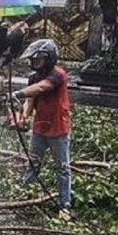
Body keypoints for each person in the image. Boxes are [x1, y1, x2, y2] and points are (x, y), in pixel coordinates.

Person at [12, 39, 73, 221]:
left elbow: (42, 88)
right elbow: (30, 101)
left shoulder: (58, 75)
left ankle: (65, 205)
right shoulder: (33, 78)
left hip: (58, 129)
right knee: (33, 163)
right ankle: (22, 194)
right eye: (33, 61)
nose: (35, 64)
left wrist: (16, 93)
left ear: (48, 58)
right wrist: (22, 116)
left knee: (62, 168)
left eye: (38, 60)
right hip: (39, 128)